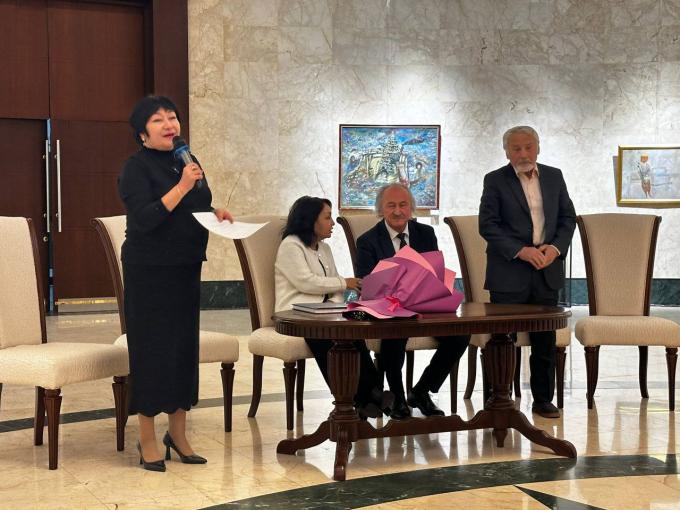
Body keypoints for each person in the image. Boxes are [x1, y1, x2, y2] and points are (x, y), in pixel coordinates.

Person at [119, 95, 233, 471]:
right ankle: (147, 438)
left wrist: (215, 212)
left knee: (183, 350)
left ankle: (179, 434)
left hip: (185, 266)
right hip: (149, 271)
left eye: (172, 117)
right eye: (158, 120)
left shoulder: (187, 159)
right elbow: (145, 219)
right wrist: (183, 186)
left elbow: (196, 206)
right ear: (142, 132)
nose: (169, 124)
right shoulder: (135, 168)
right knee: (152, 350)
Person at [479, 125, 576, 419]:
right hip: (509, 272)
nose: (523, 154)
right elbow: (488, 225)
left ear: (538, 148)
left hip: (546, 269)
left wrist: (554, 249)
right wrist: (521, 251)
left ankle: (543, 400)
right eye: (516, 148)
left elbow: (568, 218)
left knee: (544, 341)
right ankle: (499, 399)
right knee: (502, 341)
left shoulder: (555, 176)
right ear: (506, 152)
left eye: (528, 147)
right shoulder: (495, 180)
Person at [355, 184, 470, 420]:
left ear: (411, 208)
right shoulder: (367, 241)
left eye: (403, 205)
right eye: (391, 205)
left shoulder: (426, 234)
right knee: (394, 335)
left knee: (460, 335)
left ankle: (421, 391)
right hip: (390, 310)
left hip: (426, 308)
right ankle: (397, 398)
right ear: (381, 210)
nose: (398, 211)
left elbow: (434, 273)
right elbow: (368, 283)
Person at [275, 196, 393, 419]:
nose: (332, 223)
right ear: (311, 220)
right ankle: (356, 399)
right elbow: (306, 282)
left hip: (324, 311)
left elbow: (336, 285)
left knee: (354, 332)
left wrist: (334, 301)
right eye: (327, 217)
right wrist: (343, 283)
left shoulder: (325, 248)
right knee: (325, 338)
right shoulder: (291, 245)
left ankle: (371, 394)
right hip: (296, 313)